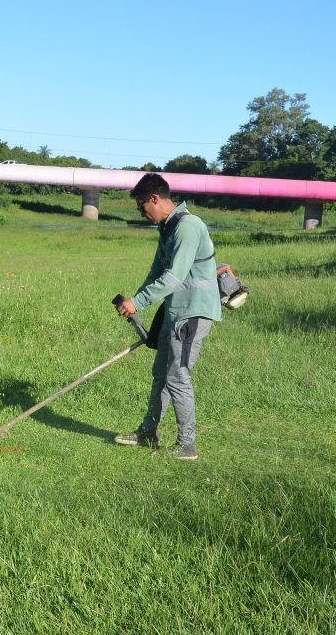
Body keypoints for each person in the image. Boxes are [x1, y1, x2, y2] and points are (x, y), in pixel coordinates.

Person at [114, 173, 221, 460]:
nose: (141, 212)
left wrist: (139, 302)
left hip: (193, 312)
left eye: (141, 206)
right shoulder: (168, 227)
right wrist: (132, 301)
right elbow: (156, 272)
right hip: (175, 310)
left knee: (177, 376)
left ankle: (187, 446)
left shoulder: (188, 227)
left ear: (155, 199)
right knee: (160, 374)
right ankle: (148, 431)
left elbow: (173, 277)